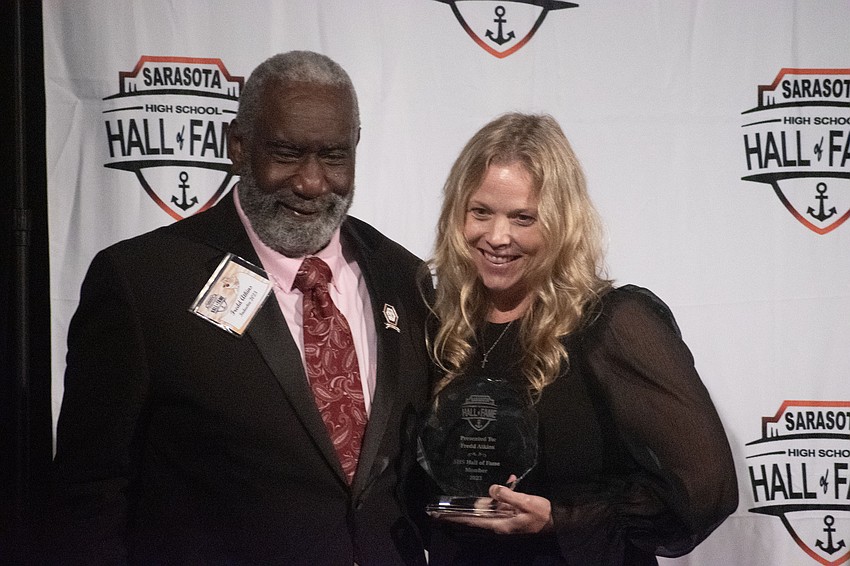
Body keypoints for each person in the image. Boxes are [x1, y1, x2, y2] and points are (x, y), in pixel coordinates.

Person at [46, 51, 432, 565]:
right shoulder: (143, 284)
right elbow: (87, 499)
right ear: (238, 146)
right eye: (288, 153)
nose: (312, 183)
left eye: (334, 156)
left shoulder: (404, 278)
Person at [421, 112, 738, 565]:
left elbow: (708, 485)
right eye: (481, 212)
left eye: (523, 218)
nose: (496, 236)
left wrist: (559, 518)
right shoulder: (439, 323)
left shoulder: (614, 324)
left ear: (561, 221)